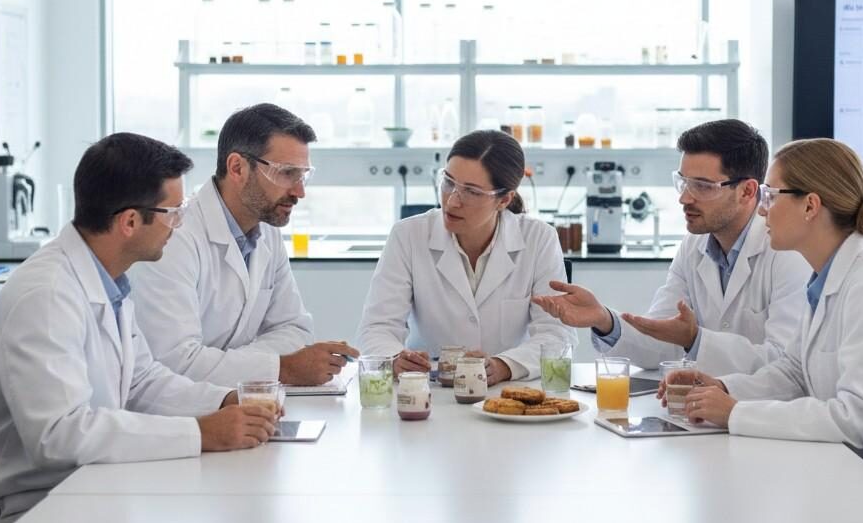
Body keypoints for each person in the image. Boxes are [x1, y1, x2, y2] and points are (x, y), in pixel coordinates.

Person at [0, 134, 279, 523]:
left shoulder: (108, 279)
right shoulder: (46, 294)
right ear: (130, 221)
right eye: (173, 212)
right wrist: (200, 433)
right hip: (15, 514)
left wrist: (223, 401)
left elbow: (141, 382)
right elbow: (58, 436)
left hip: (78, 488)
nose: (179, 224)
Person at [664, 138, 863, 502]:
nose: (762, 211)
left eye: (770, 196)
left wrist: (737, 413)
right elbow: (794, 372)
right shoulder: (828, 276)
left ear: (810, 206)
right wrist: (723, 389)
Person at [532, 119, 810, 376]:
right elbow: (662, 341)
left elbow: (784, 363)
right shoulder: (694, 246)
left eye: (702, 186)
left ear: (747, 191)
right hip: (705, 411)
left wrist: (696, 340)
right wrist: (605, 319)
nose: (685, 198)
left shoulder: (787, 251)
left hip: (759, 415)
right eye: (683, 182)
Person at [132, 103, 358, 388]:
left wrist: (238, 365)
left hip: (238, 404)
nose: (299, 191)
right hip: (181, 416)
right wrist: (281, 368)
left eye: (303, 175)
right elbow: (176, 361)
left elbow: (294, 328)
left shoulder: (266, 230)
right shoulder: (174, 236)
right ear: (237, 168)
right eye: (286, 173)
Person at [357, 129, 576, 383]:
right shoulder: (408, 235)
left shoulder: (539, 239)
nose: (452, 201)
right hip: (428, 391)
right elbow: (376, 327)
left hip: (505, 394)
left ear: (504, 199)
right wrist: (394, 358)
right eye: (448, 182)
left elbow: (557, 335)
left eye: (471, 192)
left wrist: (503, 366)